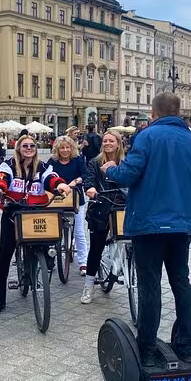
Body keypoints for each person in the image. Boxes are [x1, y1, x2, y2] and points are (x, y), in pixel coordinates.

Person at [102, 92, 191, 367]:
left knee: (150, 286)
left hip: (149, 224)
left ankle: (146, 348)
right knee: (181, 282)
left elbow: (130, 174)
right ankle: (185, 344)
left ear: (153, 113)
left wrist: (111, 169)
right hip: (181, 224)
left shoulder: (147, 136)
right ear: (178, 113)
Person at [0, 134, 71, 313]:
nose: (29, 149)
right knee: (4, 255)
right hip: (13, 213)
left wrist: (60, 186)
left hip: (35, 212)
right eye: (25, 145)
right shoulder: (9, 165)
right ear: (18, 148)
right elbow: (3, 178)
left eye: (32, 146)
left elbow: (51, 179)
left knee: (48, 240)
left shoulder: (42, 167)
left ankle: (44, 264)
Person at [81, 130, 126, 303]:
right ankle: (89, 285)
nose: (107, 143)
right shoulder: (95, 162)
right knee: (96, 248)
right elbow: (89, 179)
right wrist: (91, 189)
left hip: (122, 205)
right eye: (105, 140)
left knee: (132, 240)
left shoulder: (126, 161)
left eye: (111, 141)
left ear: (118, 143)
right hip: (101, 205)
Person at [47, 136, 89, 275]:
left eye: (67, 147)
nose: (65, 150)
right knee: (53, 231)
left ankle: (83, 262)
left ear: (72, 148)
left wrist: (76, 181)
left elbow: (85, 174)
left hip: (76, 198)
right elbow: (46, 176)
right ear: (57, 149)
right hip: (57, 200)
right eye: (62, 148)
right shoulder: (52, 162)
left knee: (79, 231)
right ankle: (50, 259)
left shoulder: (77, 160)